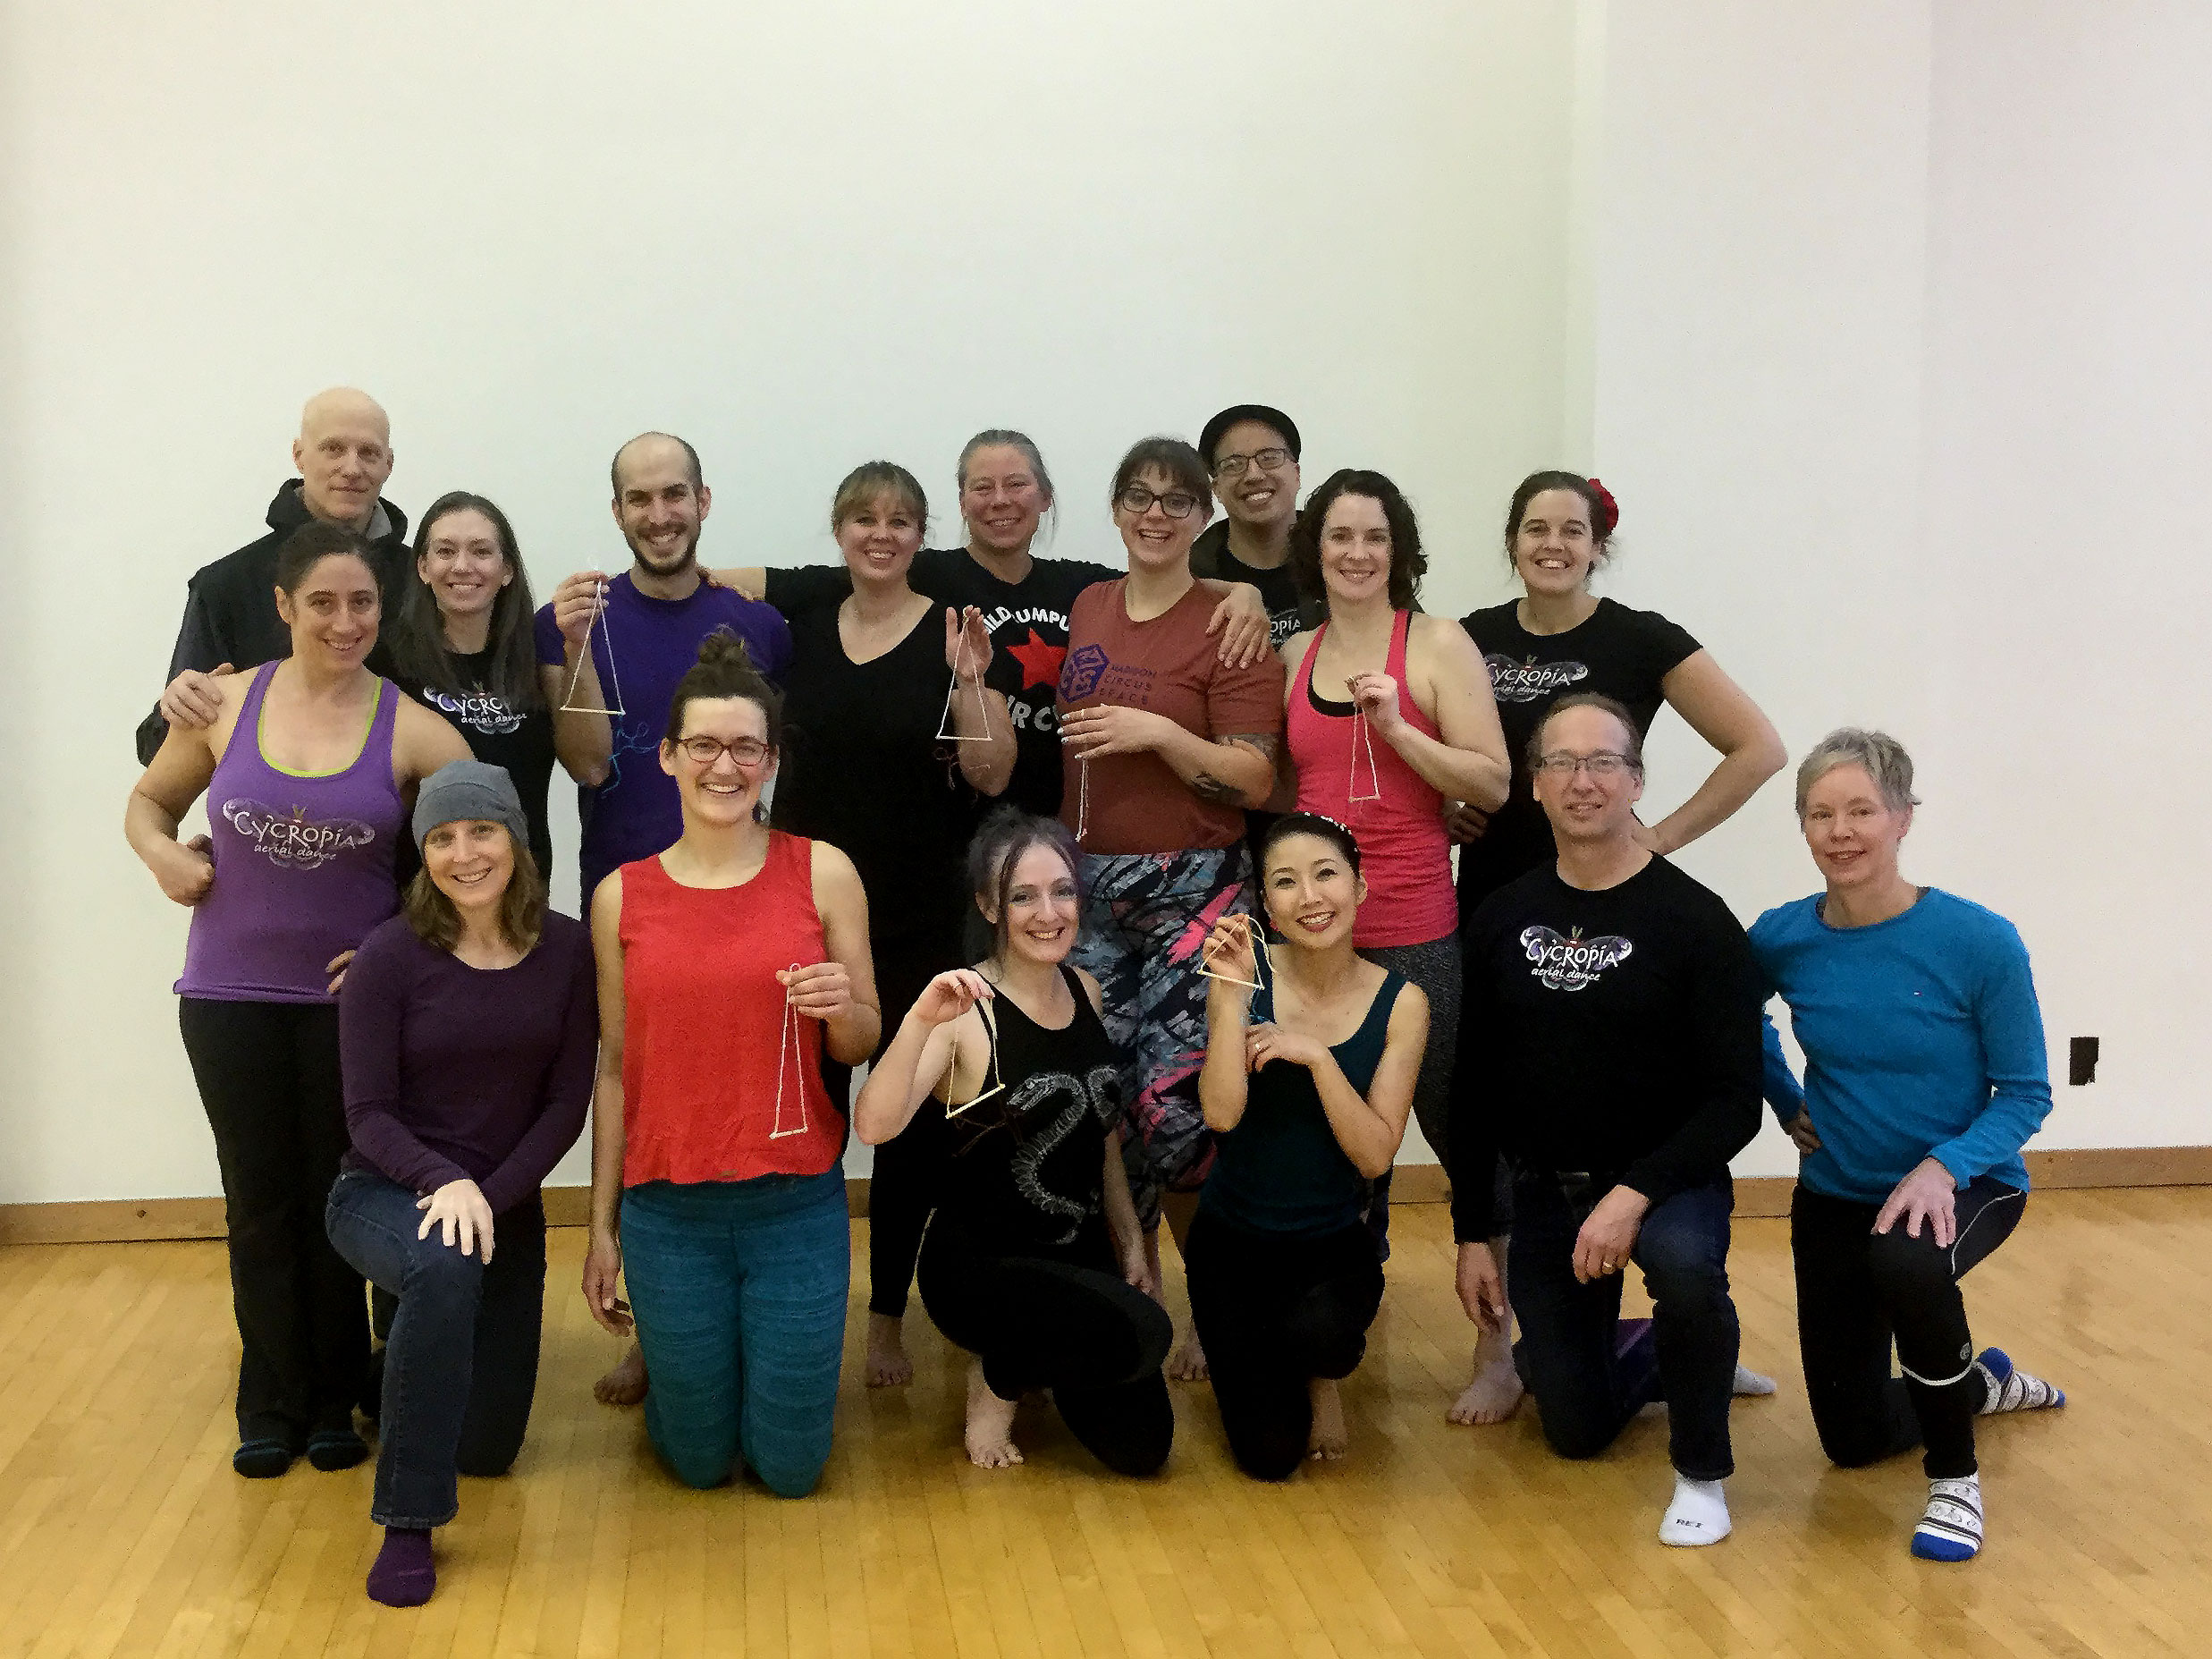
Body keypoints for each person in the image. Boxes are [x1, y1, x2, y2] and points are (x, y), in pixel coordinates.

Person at [123, 521, 470, 1478]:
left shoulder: (414, 727)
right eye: (322, 601)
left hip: (346, 1009)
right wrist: (162, 857)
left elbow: (481, 859)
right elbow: (148, 804)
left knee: (335, 1199)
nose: (344, 620)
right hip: (227, 997)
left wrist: (401, 948)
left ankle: (334, 1398)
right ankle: (270, 1398)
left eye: (362, 602)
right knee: (258, 1200)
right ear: (283, 606)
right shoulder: (224, 703)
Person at [1448, 470, 1786, 1426]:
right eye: (1535, 527)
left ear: (1599, 544)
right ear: (1510, 539)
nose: (1553, 543)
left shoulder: (1640, 638)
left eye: (1573, 528)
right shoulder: (1467, 637)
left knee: (1648, 1107)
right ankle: (1517, 1351)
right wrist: (1445, 807)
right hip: (1509, 908)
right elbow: (1440, 756)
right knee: (1513, 1102)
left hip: (1625, 903)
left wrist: (1659, 840)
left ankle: (1690, 1336)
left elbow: (1758, 747)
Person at [1450, 693, 1763, 1547]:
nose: (1582, 781)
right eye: (1561, 763)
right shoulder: (1501, 916)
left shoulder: (1698, 921)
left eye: (1603, 763)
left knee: (1686, 1275)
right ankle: (1670, 1353)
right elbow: (1472, 1085)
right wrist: (1473, 1231)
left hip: (1668, 1183)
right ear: (1534, 785)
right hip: (1550, 1192)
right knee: (1575, 1430)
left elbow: (1736, 1100)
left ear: (1636, 781)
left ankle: (1701, 1471)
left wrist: (1634, 1194)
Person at [1752, 729, 2064, 1563]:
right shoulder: (1783, 936)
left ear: (1903, 817)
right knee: (1851, 1440)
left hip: (1972, 1181)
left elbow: (2027, 1093)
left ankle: (1955, 1479)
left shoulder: (1980, 940)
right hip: (1837, 1190)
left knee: (1908, 1260)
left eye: (1861, 810)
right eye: (1821, 813)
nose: (1840, 831)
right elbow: (1728, 1011)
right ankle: (1980, 1384)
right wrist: (1784, 1098)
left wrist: (1941, 1165)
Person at [580, 631, 878, 1496]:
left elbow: (861, 1039)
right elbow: (614, 1068)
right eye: (704, 744)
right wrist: (600, 1226)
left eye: (747, 747)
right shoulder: (621, 896)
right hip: (668, 1214)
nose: (725, 765)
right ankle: (690, 1384)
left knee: (790, 1470)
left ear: (771, 761)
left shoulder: (824, 872)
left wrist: (840, 1009)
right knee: (700, 1465)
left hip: (795, 1204)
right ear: (669, 755)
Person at [325, 761, 595, 1606]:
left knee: (487, 1450)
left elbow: (566, 1102)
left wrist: (488, 1194)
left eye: (482, 831)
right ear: (423, 853)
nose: (464, 853)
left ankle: (395, 1372)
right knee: (442, 1262)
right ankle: (408, 1524)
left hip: (501, 1205)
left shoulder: (567, 949)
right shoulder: (387, 954)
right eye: (441, 837)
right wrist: (448, 1182)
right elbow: (367, 1114)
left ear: (516, 838)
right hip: (383, 1192)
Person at [769, 461, 1015, 1387]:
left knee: (909, 1128)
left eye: (900, 520)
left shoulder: (953, 630)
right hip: (806, 910)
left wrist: (972, 682)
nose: (881, 533)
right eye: (864, 518)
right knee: (806, 1111)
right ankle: (798, 1306)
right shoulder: (799, 631)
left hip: (919, 912)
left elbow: (991, 772)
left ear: (921, 534)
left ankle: (884, 1318)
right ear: (838, 530)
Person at [1057, 436, 1287, 1379]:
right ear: (1115, 507)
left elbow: (1255, 778)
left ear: (1204, 515)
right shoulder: (1089, 603)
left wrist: (1157, 732)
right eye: (1138, 497)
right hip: (1088, 891)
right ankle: (1133, 1287)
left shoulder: (1229, 624)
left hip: (1196, 886)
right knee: (1100, 1106)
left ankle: (1214, 1302)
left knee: (1179, 1113)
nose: (1155, 515)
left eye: (1177, 500)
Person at [717, 428, 1271, 816]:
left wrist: (1245, 593)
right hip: (964, 817)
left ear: (1045, 497)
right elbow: (784, 581)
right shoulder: (922, 572)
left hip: (1063, 821)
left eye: (1017, 484)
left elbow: (1164, 582)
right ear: (962, 502)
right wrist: (684, 576)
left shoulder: (1083, 588)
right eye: (982, 487)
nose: (1000, 501)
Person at [853, 809, 1172, 1474]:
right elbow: (875, 1127)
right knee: (1146, 1327)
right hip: (981, 1268)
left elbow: (1101, 1132)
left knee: (1143, 1447)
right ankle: (999, 1376)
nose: (1047, 913)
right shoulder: (963, 1008)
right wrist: (917, 1021)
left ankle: (1035, 1357)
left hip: (1074, 1254)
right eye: (1023, 896)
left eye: (1062, 891)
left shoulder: (1086, 989)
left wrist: (1129, 1237)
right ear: (988, 905)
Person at [1276, 469, 1509, 1316]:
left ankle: (1498, 1339)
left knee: (1452, 1118)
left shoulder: (1437, 644)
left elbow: (1491, 782)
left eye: (1375, 536)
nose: (1358, 553)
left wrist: (1399, 730)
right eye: (1340, 536)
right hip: (1313, 930)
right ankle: (1333, 1313)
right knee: (1322, 1121)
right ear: (1316, 550)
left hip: (1412, 922)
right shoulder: (1295, 654)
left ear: (1399, 550)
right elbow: (1289, 787)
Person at [1190, 814, 1428, 1477]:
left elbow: (1375, 1156)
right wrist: (1230, 998)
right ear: (1266, 904)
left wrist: (1318, 1059)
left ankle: (1320, 1373)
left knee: (1319, 1335)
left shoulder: (1403, 1002)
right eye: (1286, 882)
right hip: (1232, 1243)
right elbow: (1221, 1113)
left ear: (1360, 886)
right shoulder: (1243, 970)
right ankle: (1257, 1352)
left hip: (1330, 1246)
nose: (1310, 897)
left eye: (1326, 874)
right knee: (1269, 1459)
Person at [533, 432, 793, 908]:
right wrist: (576, 646)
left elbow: (785, 763)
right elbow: (588, 767)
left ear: (702, 501)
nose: (658, 517)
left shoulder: (762, 625)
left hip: (744, 893)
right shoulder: (567, 625)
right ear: (618, 512)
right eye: (639, 499)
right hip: (623, 897)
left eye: (674, 494)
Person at [140, 388, 409, 763]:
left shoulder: (423, 582)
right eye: (333, 449)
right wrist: (176, 711)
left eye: (368, 452)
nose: (352, 468)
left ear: (388, 464)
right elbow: (157, 750)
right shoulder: (226, 586)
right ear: (299, 456)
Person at [1191, 403, 1323, 651]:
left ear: (1296, 474)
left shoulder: (1341, 558)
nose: (1254, 475)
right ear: (1216, 489)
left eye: (1269, 458)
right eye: (1233, 464)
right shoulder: (1191, 576)